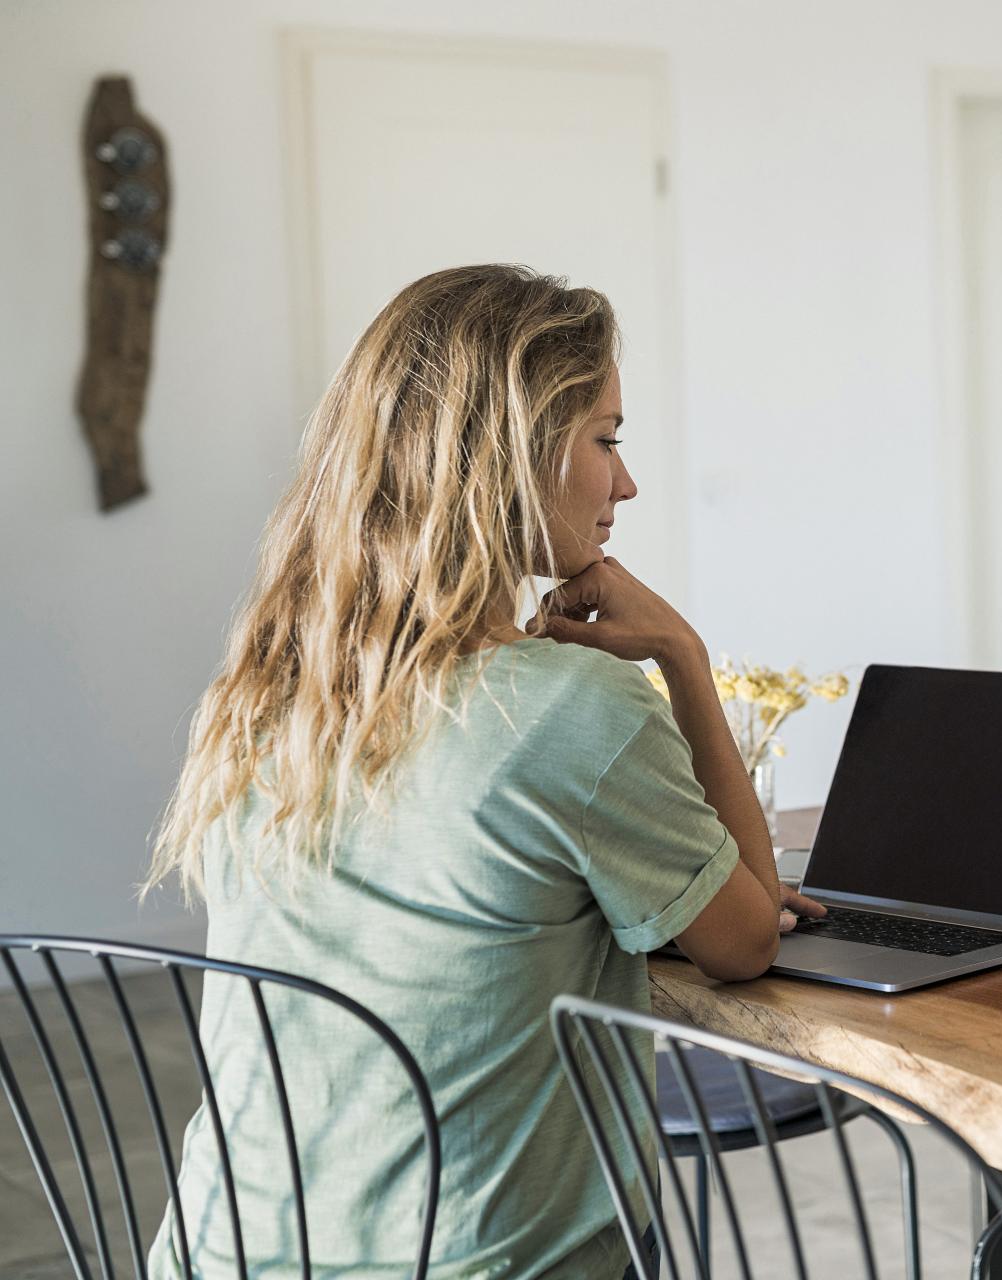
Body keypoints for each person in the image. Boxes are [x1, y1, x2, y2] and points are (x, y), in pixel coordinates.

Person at [143, 263, 821, 1277]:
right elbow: (746, 939)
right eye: (608, 439)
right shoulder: (568, 708)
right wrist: (681, 649)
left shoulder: (275, 687)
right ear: (516, 451)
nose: (625, 482)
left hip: (221, 1251)